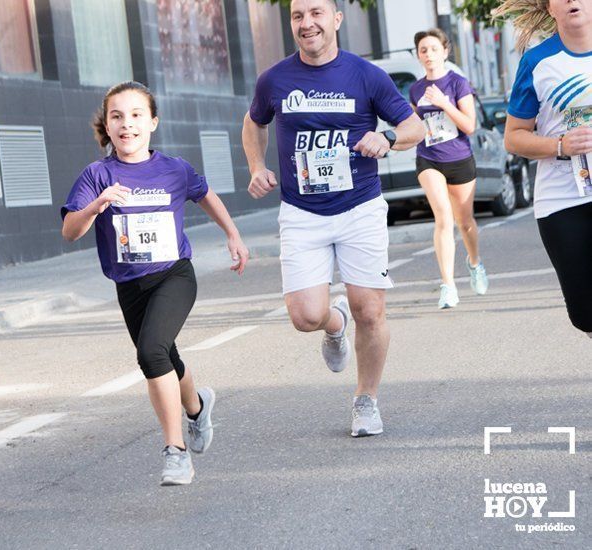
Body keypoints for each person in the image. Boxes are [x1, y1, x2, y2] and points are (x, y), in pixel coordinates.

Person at [242, 0, 424, 437]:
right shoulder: (275, 79)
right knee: (306, 316)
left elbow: (416, 126)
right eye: (298, 16)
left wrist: (387, 137)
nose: (307, 24)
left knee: (371, 310)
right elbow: (253, 123)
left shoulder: (365, 75)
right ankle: (332, 322)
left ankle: (366, 400)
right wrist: (255, 166)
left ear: (336, 20)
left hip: (360, 207)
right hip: (303, 212)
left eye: (316, 13)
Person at [62, 81, 249, 486]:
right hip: (130, 285)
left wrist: (232, 234)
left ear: (152, 123)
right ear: (107, 126)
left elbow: (205, 195)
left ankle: (175, 451)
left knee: (151, 353)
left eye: (135, 115)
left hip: (174, 275)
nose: (126, 124)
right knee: (164, 354)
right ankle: (198, 407)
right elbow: (70, 231)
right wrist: (98, 204)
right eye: (117, 117)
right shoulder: (97, 175)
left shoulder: (173, 169)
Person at [496, 0, 592, 337]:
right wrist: (560, 145)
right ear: (550, 8)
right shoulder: (537, 61)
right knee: (585, 313)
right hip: (564, 199)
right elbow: (514, 138)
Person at [410, 29, 489, 309]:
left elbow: (470, 125)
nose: (428, 55)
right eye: (423, 50)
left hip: (459, 158)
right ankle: (448, 286)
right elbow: (415, 125)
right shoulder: (416, 89)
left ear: (445, 51)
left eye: (433, 49)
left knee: (464, 222)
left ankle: (475, 263)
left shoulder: (458, 83)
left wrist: (444, 103)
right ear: (418, 56)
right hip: (429, 158)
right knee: (442, 217)